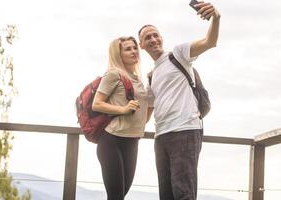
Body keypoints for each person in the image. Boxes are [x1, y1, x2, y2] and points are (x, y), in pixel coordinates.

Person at [138, 2, 221, 200]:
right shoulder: (151, 76)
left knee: (184, 193)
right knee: (166, 194)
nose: (153, 39)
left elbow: (210, 41)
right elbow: (146, 114)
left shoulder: (178, 54)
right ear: (141, 45)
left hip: (185, 130)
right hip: (162, 137)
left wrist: (216, 17)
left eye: (155, 34)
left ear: (161, 38)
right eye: (147, 37)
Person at [92, 36, 149, 200]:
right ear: (118, 54)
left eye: (135, 47)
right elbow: (97, 104)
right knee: (116, 196)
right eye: (128, 49)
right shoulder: (113, 74)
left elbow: (144, 113)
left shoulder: (137, 78)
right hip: (111, 140)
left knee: (121, 194)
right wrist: (123, 109)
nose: (134, 51)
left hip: (132, 141)